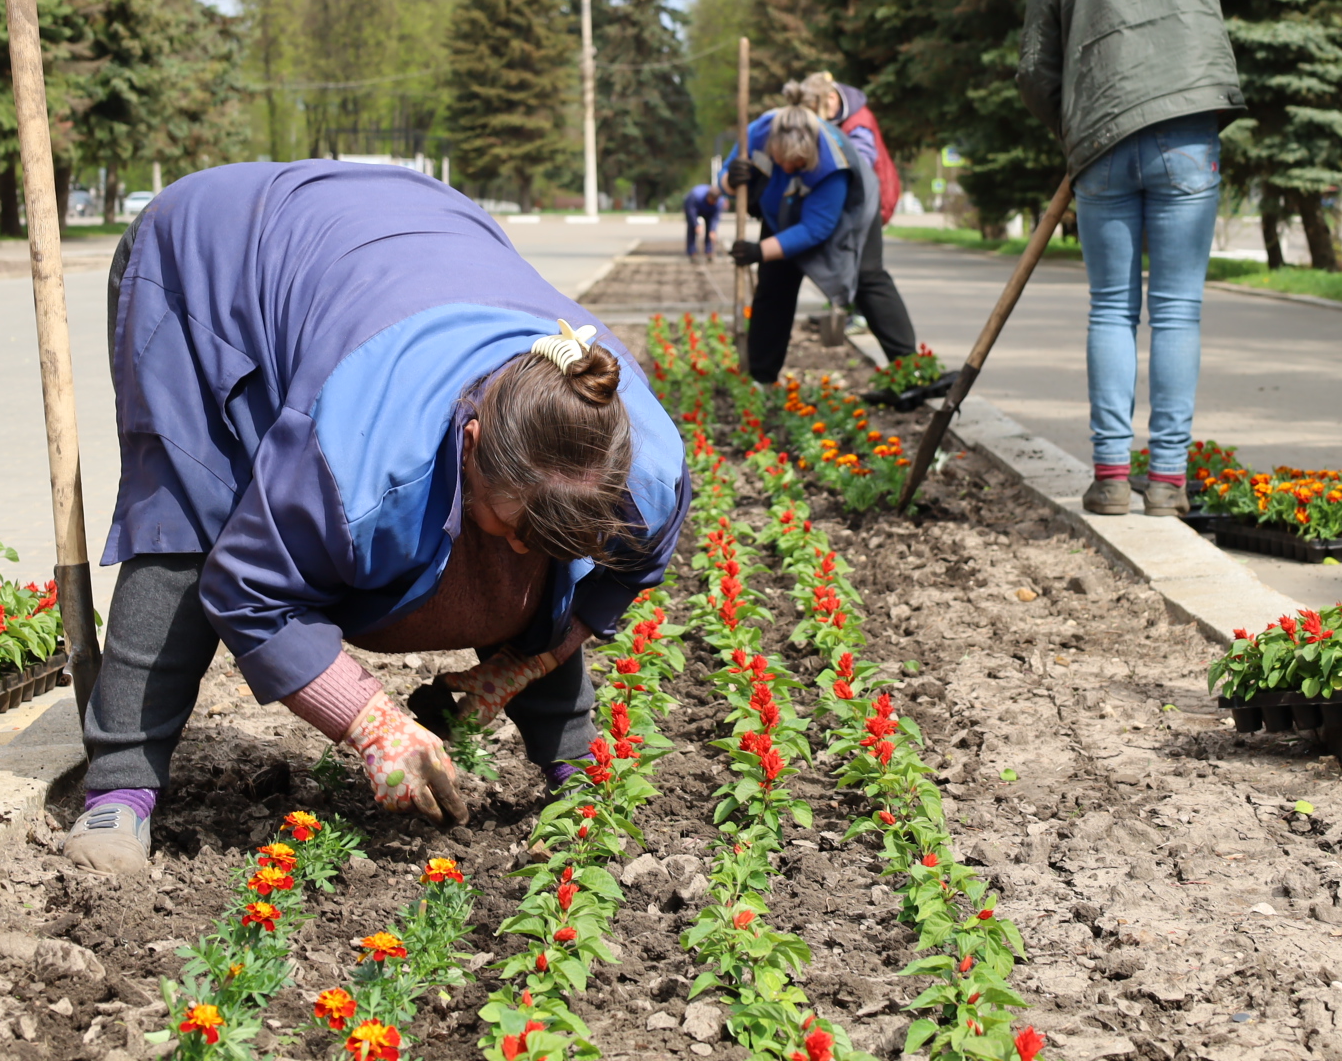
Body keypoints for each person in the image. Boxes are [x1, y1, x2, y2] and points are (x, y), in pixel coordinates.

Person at [65, 161, 688, 875]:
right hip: (218, 262)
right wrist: (370, 721)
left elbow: (606, 579)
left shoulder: (645, 469)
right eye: (512, 519)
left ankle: (575, 778)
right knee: (193, 513)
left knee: (535, 552)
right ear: (472, 441)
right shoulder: (360, 459)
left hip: (414, 231)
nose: (521, 547)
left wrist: (526, 663)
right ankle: (120, 789)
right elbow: (249, 590)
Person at [1015, 0, 1291, 519]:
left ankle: (1111, 479)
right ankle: (1167, 482)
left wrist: (1072, 132)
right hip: (1187, 133)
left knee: (1111, 307)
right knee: (1177, 310)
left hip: (1101, 146)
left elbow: (1033, 70)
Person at [724, 103, 879, 384]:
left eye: (795, 164)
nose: (785, 167)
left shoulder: (833, 163)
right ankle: (761, 376)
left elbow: (814, 228)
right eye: (780, 159)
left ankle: (907, 363)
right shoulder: (758, 132)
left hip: (835, 221)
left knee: (864, 279)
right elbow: (727, 184)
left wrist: (759, 251)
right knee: (773, 291)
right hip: (777, 213)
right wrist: (731, 180)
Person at [787, 73, 918, 363]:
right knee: (862, 274)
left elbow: (860, 162)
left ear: (831, 99)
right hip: (859, 201)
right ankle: (904, 361)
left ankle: (909, 363)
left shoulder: (858, 121)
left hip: (870, 202)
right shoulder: (842, 117)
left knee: (869, 275)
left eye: (818, 113)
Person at [682, 179, 721, 259]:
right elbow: (691, 212)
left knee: (710, 231)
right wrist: (696, 225)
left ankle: (709, 251)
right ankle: (692, 252)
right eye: (711, 200)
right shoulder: (695, 196)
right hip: (694, 208)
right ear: (708, 196)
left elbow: (715, 217)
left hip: (709, 212)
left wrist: (713, 230)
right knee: (692, 228)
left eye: (714, 201)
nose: (712, 202)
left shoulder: (719, 203)